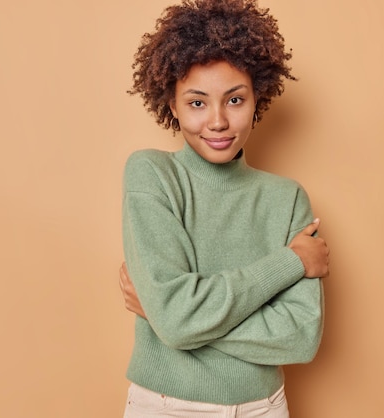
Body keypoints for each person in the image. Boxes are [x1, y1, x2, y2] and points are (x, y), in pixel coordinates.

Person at [118, 0, 330, 416]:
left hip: (263, 408)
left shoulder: (287, 198)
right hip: (165, 408)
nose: (217, 121)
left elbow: (301, 339)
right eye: (197, 103)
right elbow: (177, 319)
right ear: (172, 105)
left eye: (235, 100)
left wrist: (173, 321)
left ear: (258, 98)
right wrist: (289, 262)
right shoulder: (152, 175)